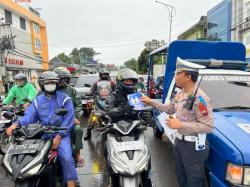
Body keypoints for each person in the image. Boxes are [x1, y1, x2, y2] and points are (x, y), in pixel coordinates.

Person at [141, 57, 214, 187]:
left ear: (188, 77)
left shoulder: (201, 98)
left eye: (178, 73)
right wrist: (150, 101)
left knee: (194, 182)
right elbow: (168, 109)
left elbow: (208, 126)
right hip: (179, 142)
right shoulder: (181, 93)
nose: (175, 76)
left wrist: (180, 125)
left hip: (193, 147)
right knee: (181, 178)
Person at [6, 71, 78, 187]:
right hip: (42, 133)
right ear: (42, 84)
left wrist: (59, 136)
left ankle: (70, 182)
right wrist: (16, 124)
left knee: (66, 158)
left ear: (57, 83)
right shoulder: (37, 100)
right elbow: (29, 116)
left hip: (61, 133)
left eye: (53, 82)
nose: (50, 84)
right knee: (30, 156)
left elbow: (69, 119)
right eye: (48, 82)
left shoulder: (65, 98)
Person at [105, 68, 155, 187]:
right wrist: (121, 109)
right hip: (115, 131)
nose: (130, 83)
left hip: (135, 129)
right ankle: (112, 178)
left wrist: (149, 119)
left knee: (146, 155)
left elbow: (144, 110)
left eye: (132, 81)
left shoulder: (137, 95)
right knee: (107, 150)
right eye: (127, 81)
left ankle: (148, 180)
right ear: (120, 81)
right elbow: (108, 110)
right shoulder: (113, 96)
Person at [54, 67, 85, 167]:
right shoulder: (49, 90)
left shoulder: (72, 90)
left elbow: (78, 105)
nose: (62, 81)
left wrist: (73, 117)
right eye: (60, 78)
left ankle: (78, 154)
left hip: (68, 120)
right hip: (52, 121)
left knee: (78, 130)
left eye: (65, 78)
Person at [84, 70, 116, 140]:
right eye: (103, 74)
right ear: (100, 75)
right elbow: (91, 90)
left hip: (110, 102)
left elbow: (116, 90)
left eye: (106, 74)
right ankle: (88, 131)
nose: (104, 76)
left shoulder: (112, 83)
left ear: (108, 75)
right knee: (93, 115)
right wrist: (90, 93)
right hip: (99, 101)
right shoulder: (96, 83)